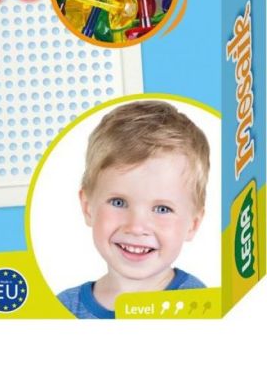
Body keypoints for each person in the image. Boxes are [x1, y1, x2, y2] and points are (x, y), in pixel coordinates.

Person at [57, 100, 210, 319]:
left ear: (193, 224)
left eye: (162, 209)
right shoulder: (62, 308)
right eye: (118, 203)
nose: (136, 227)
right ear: (88, 207)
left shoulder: (199, 306)